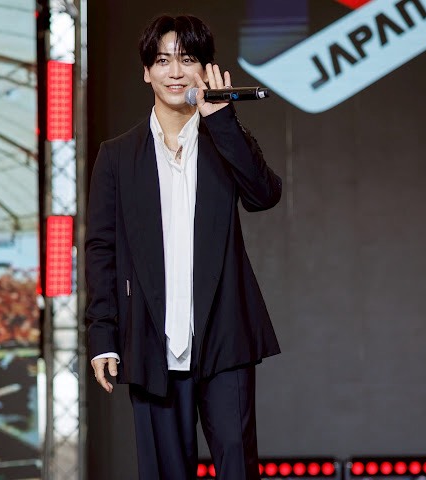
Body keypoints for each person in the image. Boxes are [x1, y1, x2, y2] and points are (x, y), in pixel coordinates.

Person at [85, 14, 282, 480]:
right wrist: (103, 336)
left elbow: (264, 195)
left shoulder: (224, 140)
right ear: (146, 72)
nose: (175, 72)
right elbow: (101, 250)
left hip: (225, 341)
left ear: (206, 70)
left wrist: (224, 122)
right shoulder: (117, 156)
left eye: (187, 59)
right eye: (162, 61)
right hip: (151, 343)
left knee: (238, 469)